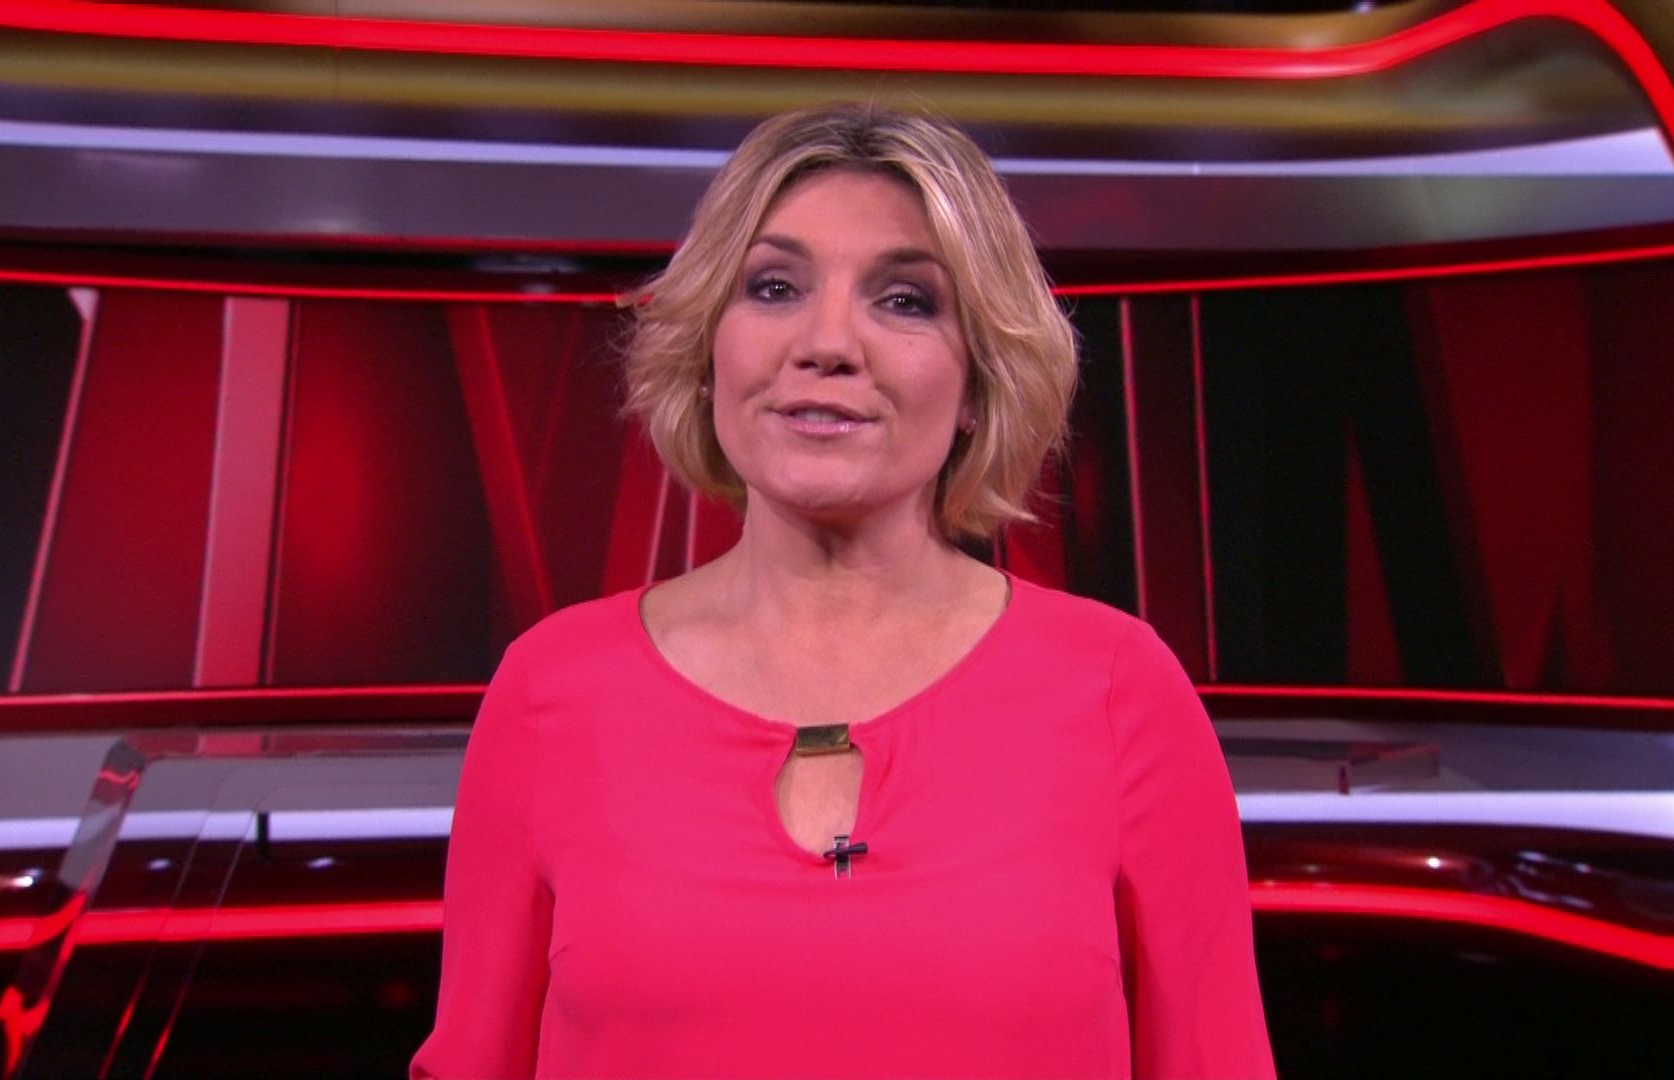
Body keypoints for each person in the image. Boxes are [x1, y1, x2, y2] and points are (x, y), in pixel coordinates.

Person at [411, 101, 1274, 1079]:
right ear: (709, 348)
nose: (827, 343)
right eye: (774, 287)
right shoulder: (550, 693)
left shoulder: (1119, 693)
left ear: (979, 380)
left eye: (904, 300)